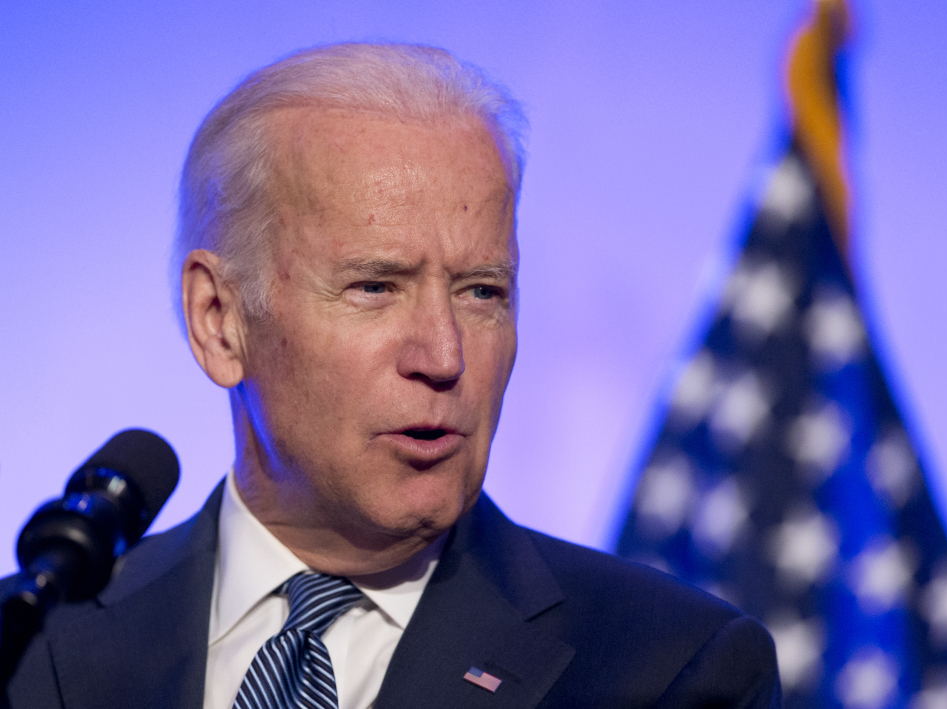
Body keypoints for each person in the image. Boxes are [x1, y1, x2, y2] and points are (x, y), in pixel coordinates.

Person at [2, 43, 781, 709]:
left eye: (483, 291)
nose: (444, 356)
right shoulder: (31, 649)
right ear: (219, 319)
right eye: (376, 287)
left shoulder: (670, 672)